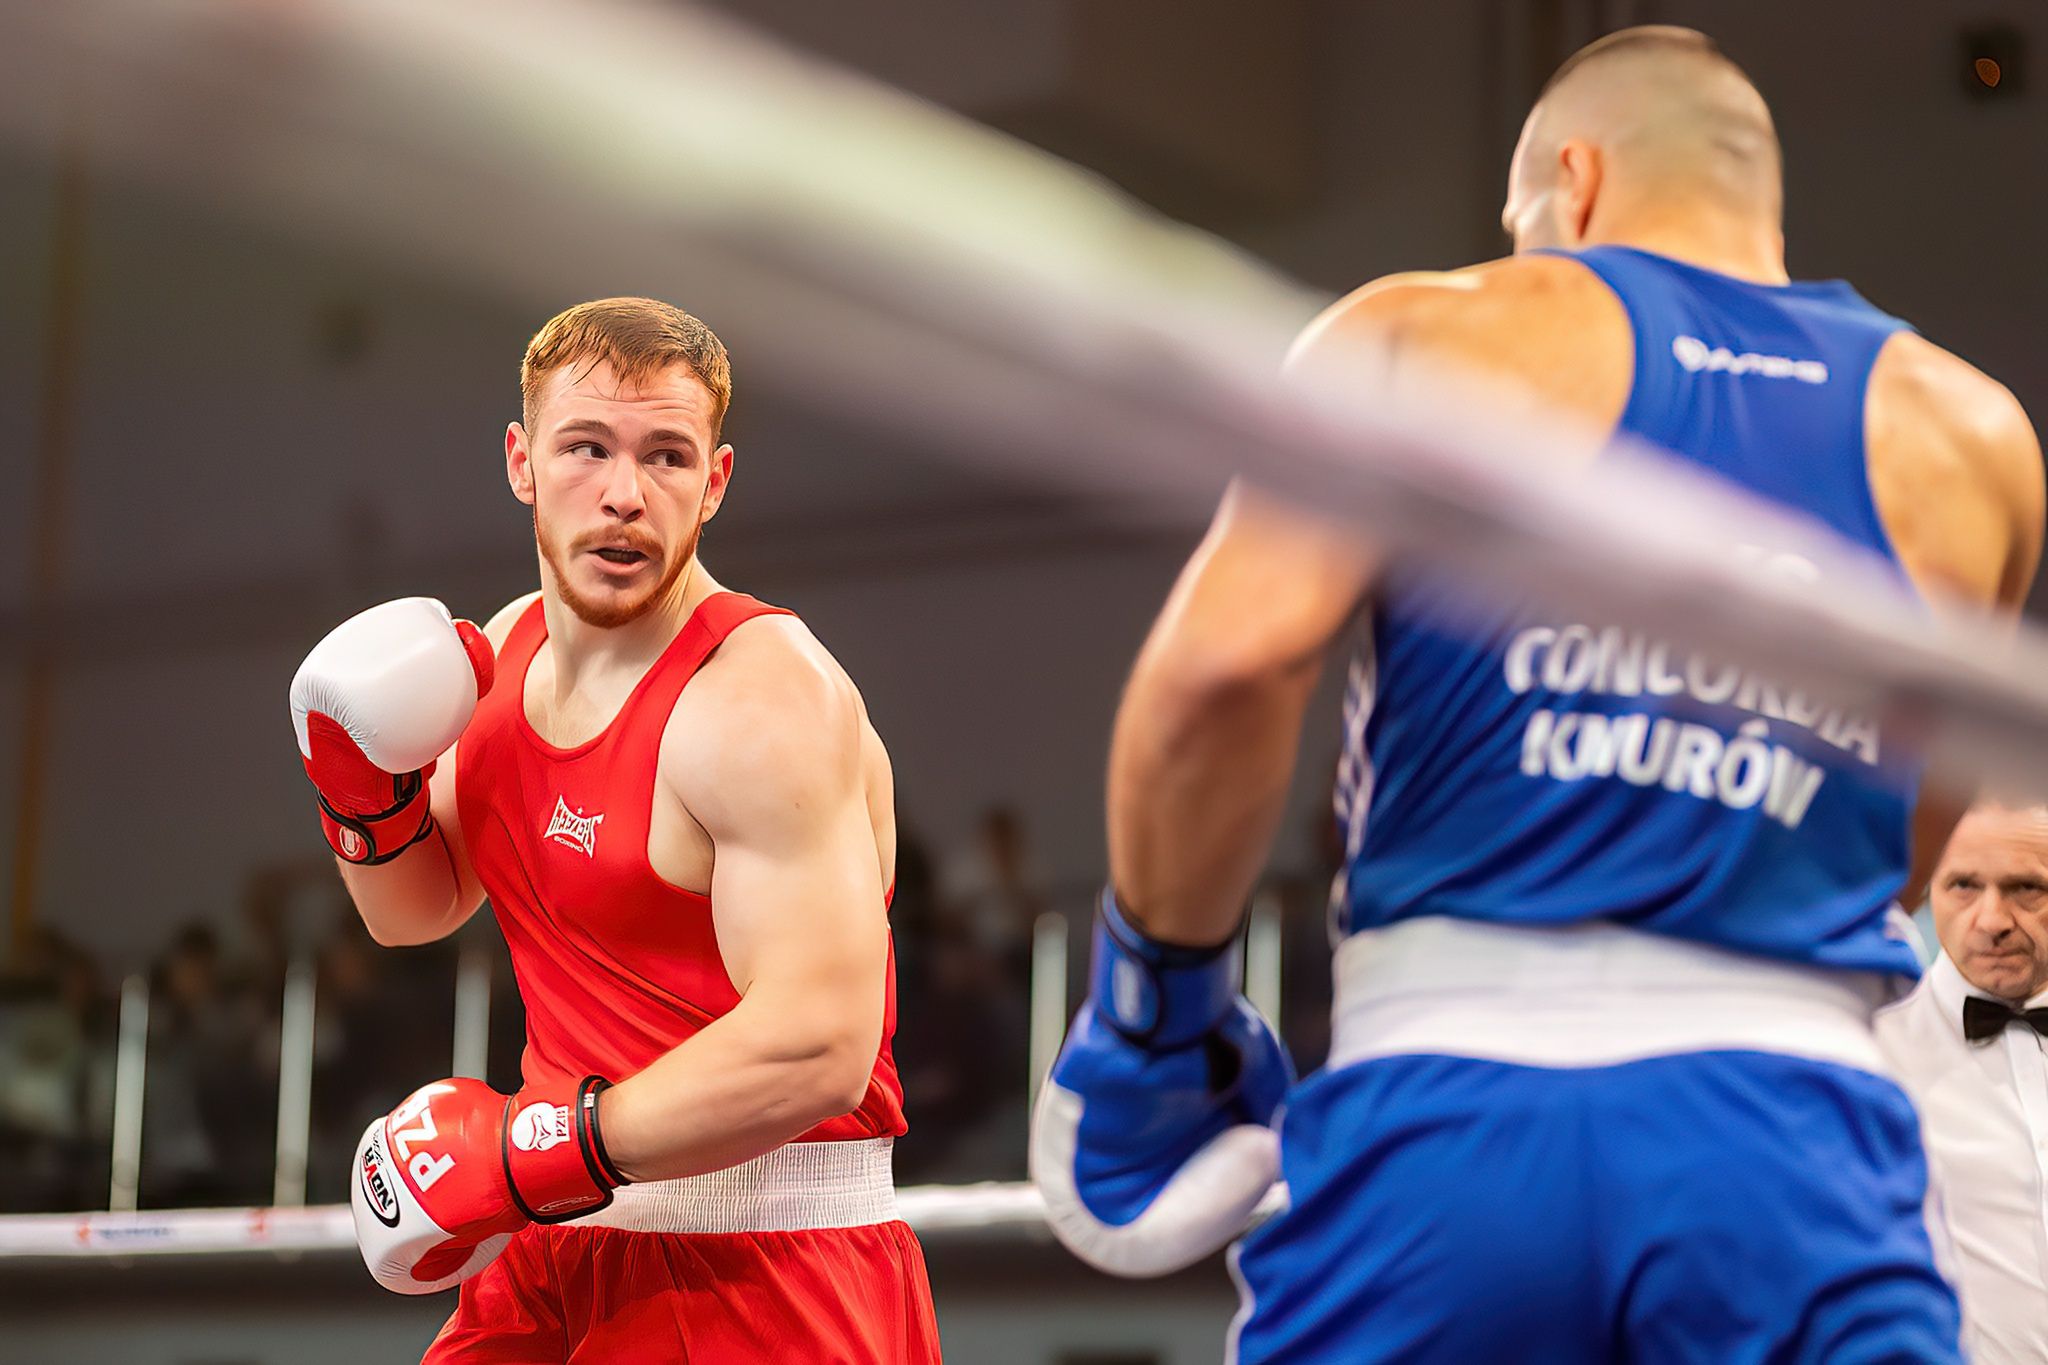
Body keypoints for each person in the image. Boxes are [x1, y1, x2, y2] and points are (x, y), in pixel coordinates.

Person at [1032, 25, 2044, 1363]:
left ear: (1574, 180)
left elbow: (1227, 669)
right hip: (1795, 1145)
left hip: (1449, 1119)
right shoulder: (1975, 439)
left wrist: (1161, 1006)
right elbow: (1912, 842)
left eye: (1522, 228)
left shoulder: (1434, 332)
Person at [290, 298, 939, 1361]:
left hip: (764, 1264)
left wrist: (536, 1151)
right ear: (522, 462)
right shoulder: (504, 649)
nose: (624, 494)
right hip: (558, 1238)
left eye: (666, 456)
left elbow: (821, 1047)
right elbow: (412, 911)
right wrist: (360, 790)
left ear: (714, 482)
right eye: (585, 447)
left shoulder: (763, 703)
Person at [1877, 801, 2048, 1364]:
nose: (1992, 920)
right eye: (1964, 886)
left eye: (2027, 888)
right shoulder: (1872, 1054)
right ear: (1927, 888)